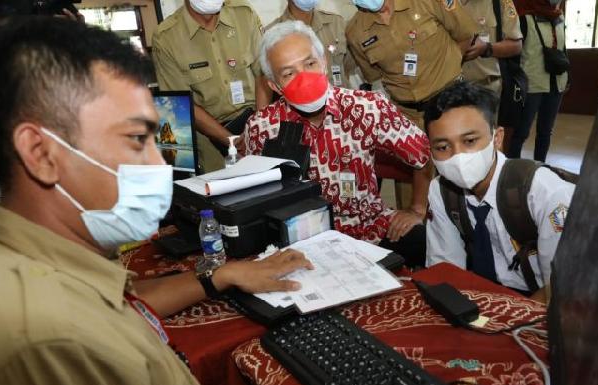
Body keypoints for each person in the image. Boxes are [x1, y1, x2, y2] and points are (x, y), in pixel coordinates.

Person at [0, 16, 313, 385]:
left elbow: (121, 307)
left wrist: (218, 275)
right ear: (41, 153)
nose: (158, 164)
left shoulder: (44, 266)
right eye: (136, 140)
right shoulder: (44, 350)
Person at [244, 21, 432, 267]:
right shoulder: (262, 127)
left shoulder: (368, 107)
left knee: (425, 243)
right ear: (274, 86)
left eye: (310, 63)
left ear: (323, 62)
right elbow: (253, 198)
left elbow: (422, 153)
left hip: (370, 230)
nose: (304, 78)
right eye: (289, 73)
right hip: (301, 244)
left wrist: (417, 209)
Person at [424, 82, 574, 301]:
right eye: (443, 147)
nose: (458, 157)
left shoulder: (542, 191)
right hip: (484, 293)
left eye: (470, 141)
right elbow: (446, 271)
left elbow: (562, 287)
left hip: (541, 299)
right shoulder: (442, 190)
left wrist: (508, 323)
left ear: (497, 138)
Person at [151, 0, 266, 172]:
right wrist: (231, 140)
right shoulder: (167, 38)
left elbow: (264, 73)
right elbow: (181, 106)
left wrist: (260, 125)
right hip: (209, 139)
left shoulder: (244, 15)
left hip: (255, 120)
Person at [345, 0, 479, 129]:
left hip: (451, 104)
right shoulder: (355, 32)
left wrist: (450, 66)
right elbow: (374, 77)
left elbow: (465, 35)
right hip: (406, 119)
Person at [258, 0, 355, 109]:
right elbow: (265, 85)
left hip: (342, 107)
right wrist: (263, 120)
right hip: (299, 111)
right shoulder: (272, 35)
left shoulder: (336, 22)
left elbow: (346, 68)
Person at [506, 0, 568, 162]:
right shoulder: (525, 19)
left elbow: (563, 49)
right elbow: (514, 55)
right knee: (520, 132)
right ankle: (514, 170)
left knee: (545, 132)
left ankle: (541, 167)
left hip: (556, 84)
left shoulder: (559, 18)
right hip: (532, 85)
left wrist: (568, 76)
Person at [460, 0, 523, 98]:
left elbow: (516, 45)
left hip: (486, 89)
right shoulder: (444, 3)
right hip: (450, 88)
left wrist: (486, 49)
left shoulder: (503, 2)